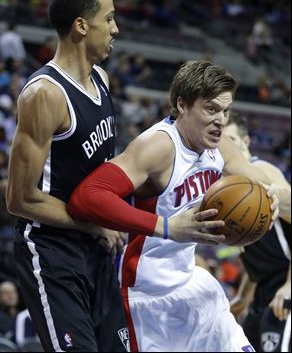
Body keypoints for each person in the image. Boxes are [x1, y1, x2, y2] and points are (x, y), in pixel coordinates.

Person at [67, 60, 279, 352]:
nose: (221, 120)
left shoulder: (219, 144)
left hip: (191, 283)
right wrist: (167, 227)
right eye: (211, 109)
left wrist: (270, 197)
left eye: (226, 111)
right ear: (182, 104)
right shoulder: (158, 148)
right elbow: (87, 195)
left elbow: (259, 181)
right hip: (143, 294)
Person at [6, 0, 129, 352]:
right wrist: (96, 225)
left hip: (95, 247)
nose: (115, 29)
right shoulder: (45, 94)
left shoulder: (102, 80)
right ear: (81, 26)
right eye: (108, 19)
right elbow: (21, 199)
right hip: (51, 251)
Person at [224, 112, 291, 352]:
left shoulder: (260, 170)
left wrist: (289, 286)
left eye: (230, 139)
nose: (225, 145)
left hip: (284, 284)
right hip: (264, 289)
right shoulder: (226, 186)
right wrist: (242, 298)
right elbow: (255, 252)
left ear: (246, 142)